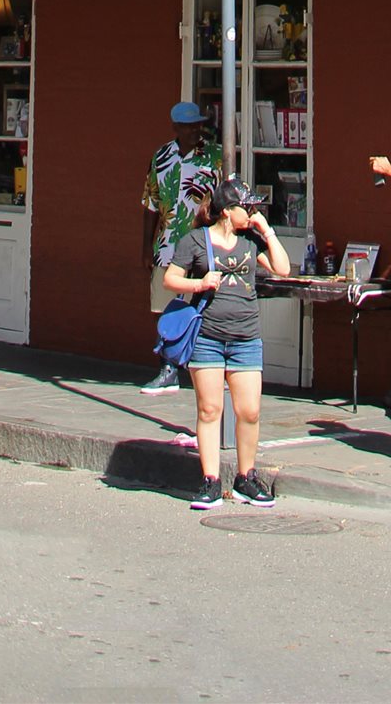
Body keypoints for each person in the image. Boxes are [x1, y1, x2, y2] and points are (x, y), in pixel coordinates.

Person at [163, 174, 291, 510]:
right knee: (209, 410)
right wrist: (200, 283)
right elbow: (170, 278)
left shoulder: (251, 241)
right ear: (226, 210)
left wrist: (267, 230)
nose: (251, 212)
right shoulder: (195, 241)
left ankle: (246, 477)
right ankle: (210, 481)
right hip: (208, 335)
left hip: (245, 337)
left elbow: (282, 268)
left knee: (249, 411)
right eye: (246, 207)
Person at [141, 99, 221, 392]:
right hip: (167, 244)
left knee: (203, 307)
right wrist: (145, 247)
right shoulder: (161, 156)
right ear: (177, 127)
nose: (196, 131)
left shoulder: (214, 156)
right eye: (189, 126)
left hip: (203, 245)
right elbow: (150, 203)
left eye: (199, 125)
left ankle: (206, 367)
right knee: (167, 310)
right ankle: (168, 368)